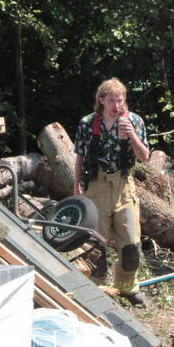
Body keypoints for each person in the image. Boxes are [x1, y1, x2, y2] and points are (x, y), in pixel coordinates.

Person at [73, 78, 151, 306]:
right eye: (111, 101)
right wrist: (76, 183)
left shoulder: (134, 121)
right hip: (96, 186)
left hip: (124, 186)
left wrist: (132, 136)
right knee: (94, 243)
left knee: (131, 245)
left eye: (120, 100)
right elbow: (79, 156)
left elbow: (144, 157)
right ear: (101, 100)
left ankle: (127, 287)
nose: (116, 105)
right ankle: (93, 289)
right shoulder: (88, 123)